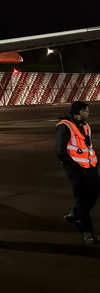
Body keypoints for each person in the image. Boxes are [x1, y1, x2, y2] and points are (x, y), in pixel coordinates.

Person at [56, 101, 98, 245]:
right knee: (82, 199)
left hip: (90, 166)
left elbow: (87, 146)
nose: (88, 113)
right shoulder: (64, 126)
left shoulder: (85, 125)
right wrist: (74, 167)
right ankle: (87, 232)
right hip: (75, 169)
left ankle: (75, 214)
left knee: (94, 194)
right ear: (78, 112)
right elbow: (60, 151)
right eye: (86, 111)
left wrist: (93, 164)